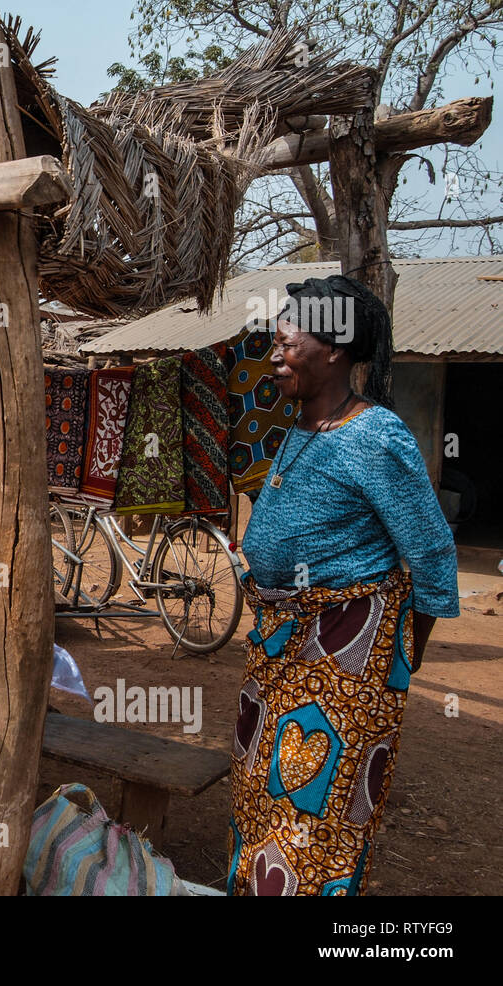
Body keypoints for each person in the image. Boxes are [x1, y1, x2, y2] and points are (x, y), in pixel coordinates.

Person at [228, 274, 458, 896]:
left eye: (287, 343)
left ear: (334, 350)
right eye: (273, 343)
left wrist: (393, 662)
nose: (275, 356)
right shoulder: (301, 429)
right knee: (260, 795)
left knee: (317, 817)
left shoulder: (375, 437)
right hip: (280, 646)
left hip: (345, 659)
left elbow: (432, 557)